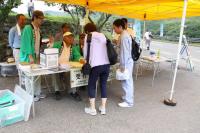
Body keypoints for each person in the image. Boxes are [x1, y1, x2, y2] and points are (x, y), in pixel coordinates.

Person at [83, 23, 110, 115]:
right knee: (103, 85)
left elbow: (85, 53)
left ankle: (92, 109)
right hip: (106, 64)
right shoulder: (102, 35)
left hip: (95, 65)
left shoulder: (88, 36)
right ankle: (103, 108)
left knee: (92, 85)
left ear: (87, 30)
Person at [20, 10, 45, 102]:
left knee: (37, 75)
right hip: (27, 56)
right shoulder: (28, 28)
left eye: (43, 19)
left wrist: (38, 56)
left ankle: (37, 93)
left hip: (35, 55)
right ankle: (30, 95)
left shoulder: (38, 29)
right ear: (34, 18)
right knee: (29, 76)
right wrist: (30, 56)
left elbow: (38, 44)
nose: (42, 20)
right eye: (41, 18)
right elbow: (25, 43)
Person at [50, 32, 82, 101]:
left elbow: (77, 55)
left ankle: (73, 91)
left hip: (67, 66)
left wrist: (81, 59)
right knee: (54, 72)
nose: (71, 39)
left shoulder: (73, 47)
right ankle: (57, 91)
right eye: (69, 37)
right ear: (64, 38)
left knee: (72, 73)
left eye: (72, 37)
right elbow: (51, 53)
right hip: (57, 65)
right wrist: (55, 63)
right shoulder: (57, 44)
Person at [113, 19, 134, 108]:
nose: (114, 30)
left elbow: (124, 52)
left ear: (120, 27)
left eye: (115, 28)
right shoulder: (124, 34)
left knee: (126, 81)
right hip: (127, 61)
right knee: (127, 80)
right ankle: (127, 97)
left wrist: (122, 65)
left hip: (126, 62)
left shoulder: (124, 36)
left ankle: (129, 102)